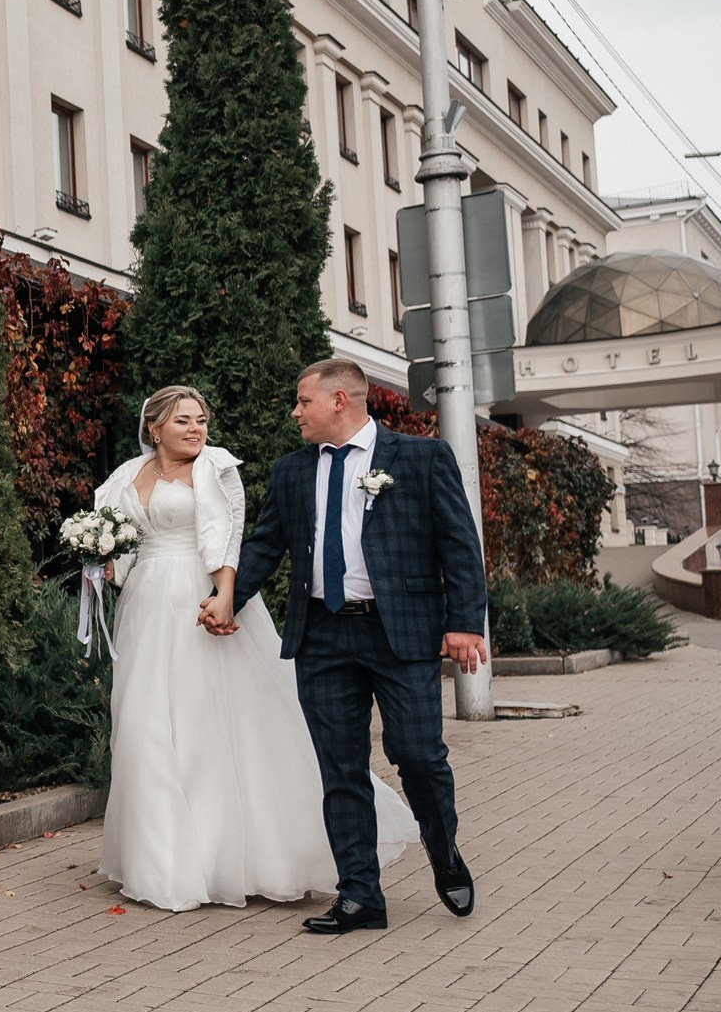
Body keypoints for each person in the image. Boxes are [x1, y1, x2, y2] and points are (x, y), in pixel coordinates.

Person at [95, 384, 417, 913]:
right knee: (143, 722)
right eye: (183, 421)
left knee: (206, 725)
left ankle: (224, 857)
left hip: (197, 597)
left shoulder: (215, 466)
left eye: (201, 419)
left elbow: (228, 534)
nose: (196, 429)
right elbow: (122, 536)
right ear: (154, 428)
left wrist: (225, 595)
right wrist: (106, 560)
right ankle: (161, 859)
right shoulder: (126, 475)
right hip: (144, 605)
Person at [203, 358, 488, 934]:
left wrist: (465, 624)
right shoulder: (291, 471)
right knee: (340, 768)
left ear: (340, 401)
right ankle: (360, 894)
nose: (295, 412)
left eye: (303, 401)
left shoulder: (421, 458)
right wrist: (228, 597)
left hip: (399, 630)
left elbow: (460, 545)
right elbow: (266, 545)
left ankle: (445, 851)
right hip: (322, 635)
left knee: (418, 755)